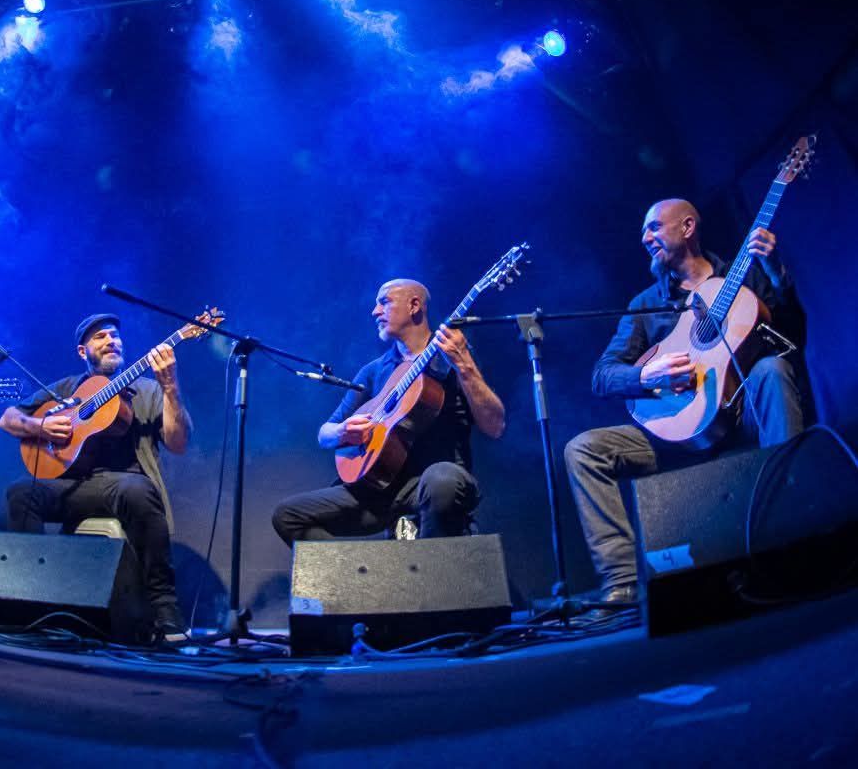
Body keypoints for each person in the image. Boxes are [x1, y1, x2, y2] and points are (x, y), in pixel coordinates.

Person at [564, 198, 807, 606]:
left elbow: (793, 340)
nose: (646, 238)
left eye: (654, 227)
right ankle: (624, 583)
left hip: (740, 415)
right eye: (644, 231)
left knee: (771, 369)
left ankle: (794, 529)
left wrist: (777, 276)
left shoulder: (745, 275)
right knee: (583, 450)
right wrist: (646, 375)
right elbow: (602, 376)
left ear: (688, 227)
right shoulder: (645, 305)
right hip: (676, 431)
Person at [0, 312, 193, 645]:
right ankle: (27, 602)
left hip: (123, 484)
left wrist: (171, 388)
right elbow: (8, 418)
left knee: (136, 489)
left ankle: (165, 611)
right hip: (72, 486)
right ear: (82, 351)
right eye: (100, 337)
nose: (111, 341)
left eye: (115, 335)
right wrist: (39, 426)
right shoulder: (67, 388)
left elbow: (179, 444)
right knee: (21, 491)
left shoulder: (147, 389)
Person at [272, 278, 505, 546]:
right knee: (288, 516)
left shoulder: (452, 357)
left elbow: (495, 426)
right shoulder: (374, 371)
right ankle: (359, 572)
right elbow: (325, 434)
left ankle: (431, 568)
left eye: (384, 302)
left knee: (441, 479)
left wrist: (465, 366)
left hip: (434, 486)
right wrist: (342, 431)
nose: (375, 312)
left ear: (414, 305)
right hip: (377, 488)